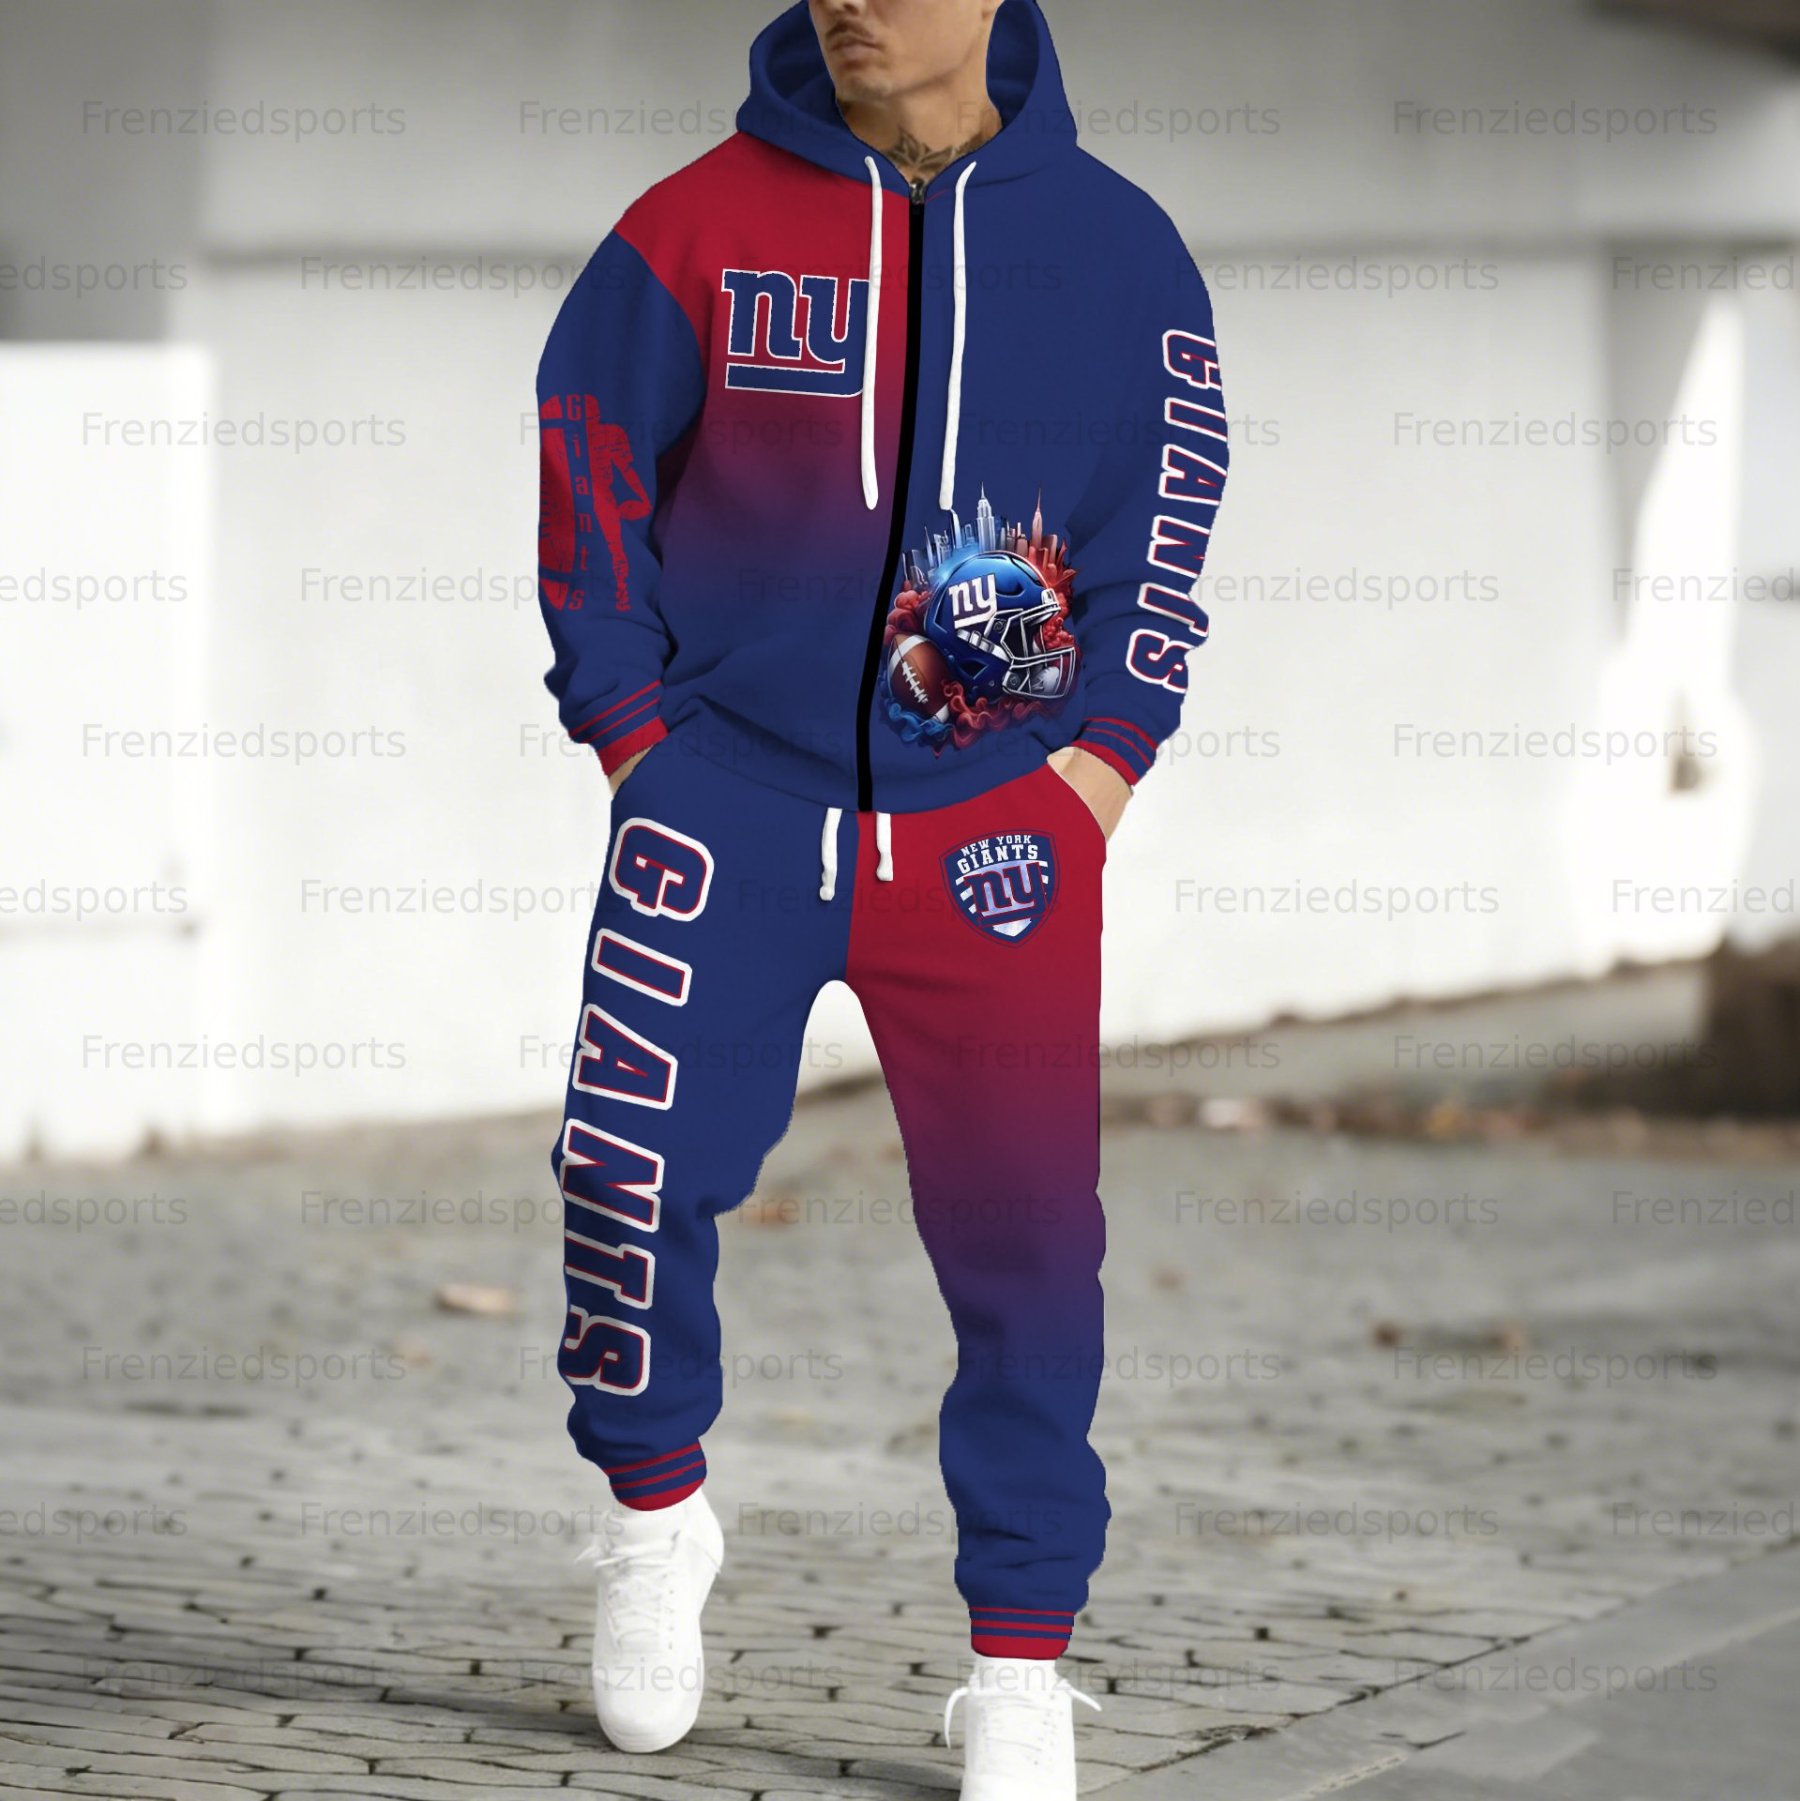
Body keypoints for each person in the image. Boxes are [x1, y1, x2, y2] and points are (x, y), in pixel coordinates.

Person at [534, 1, 1227, 1792]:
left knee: (1027, 1253)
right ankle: (654, 1510)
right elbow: (590, 454)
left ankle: (1020, 1660)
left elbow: (1166, 515)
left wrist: (1099, 766)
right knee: (623, 1169)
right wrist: (631, 733)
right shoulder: (691, 226)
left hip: (996, 833)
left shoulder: (1121, 252)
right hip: (725, 805)